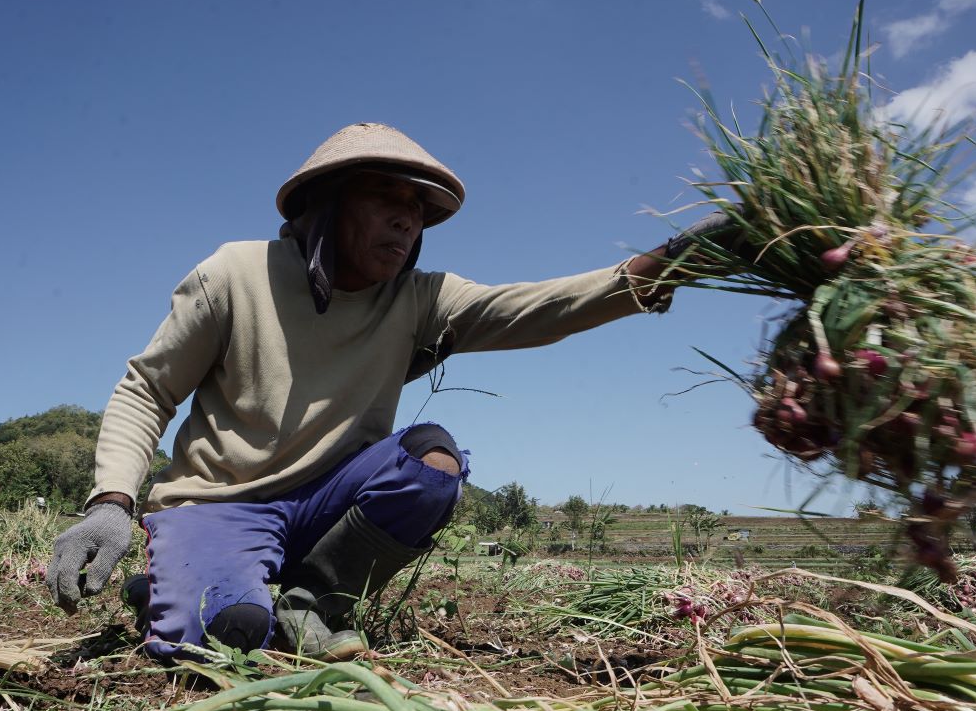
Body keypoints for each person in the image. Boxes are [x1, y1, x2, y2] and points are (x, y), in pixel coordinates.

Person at [46, 122, 730, 663]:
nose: (407, 222)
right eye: (387, 199)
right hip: (222, 504)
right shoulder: (234, 274)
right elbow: (147, 389)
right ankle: (170, 588)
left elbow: (538, 307)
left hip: (327, 505)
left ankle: (314, 600)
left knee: (432, 463)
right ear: (330, 202)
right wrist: (111, 502)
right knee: (230, 633)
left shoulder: (418, 300)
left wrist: (666, 264)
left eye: (417, 210)